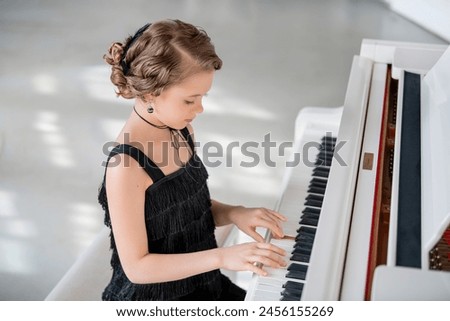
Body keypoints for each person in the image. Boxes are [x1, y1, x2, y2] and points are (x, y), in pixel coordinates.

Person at [98, 19, 287, 301]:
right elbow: (138, 268)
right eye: (190, 100)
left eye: (203, 96)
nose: (200, 108)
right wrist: (221, 257)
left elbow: (183, 210)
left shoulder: (181, 130)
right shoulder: (126, 166)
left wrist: (234, 212)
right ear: (151, 93)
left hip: (205, 284)